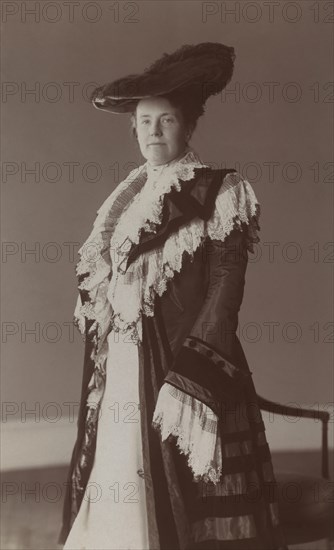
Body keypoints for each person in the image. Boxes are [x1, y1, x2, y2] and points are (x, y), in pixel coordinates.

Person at [58, 43, 289, 550]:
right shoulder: (124, 199)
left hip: (182, 363)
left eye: (165, 121)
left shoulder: (218, 190)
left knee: (183, 500)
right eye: (144, 122)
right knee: (116, 472)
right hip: (121, 365)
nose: (153, 133)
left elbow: (225, 292)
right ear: (133, 128)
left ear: (188, 127)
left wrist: (190, 377)